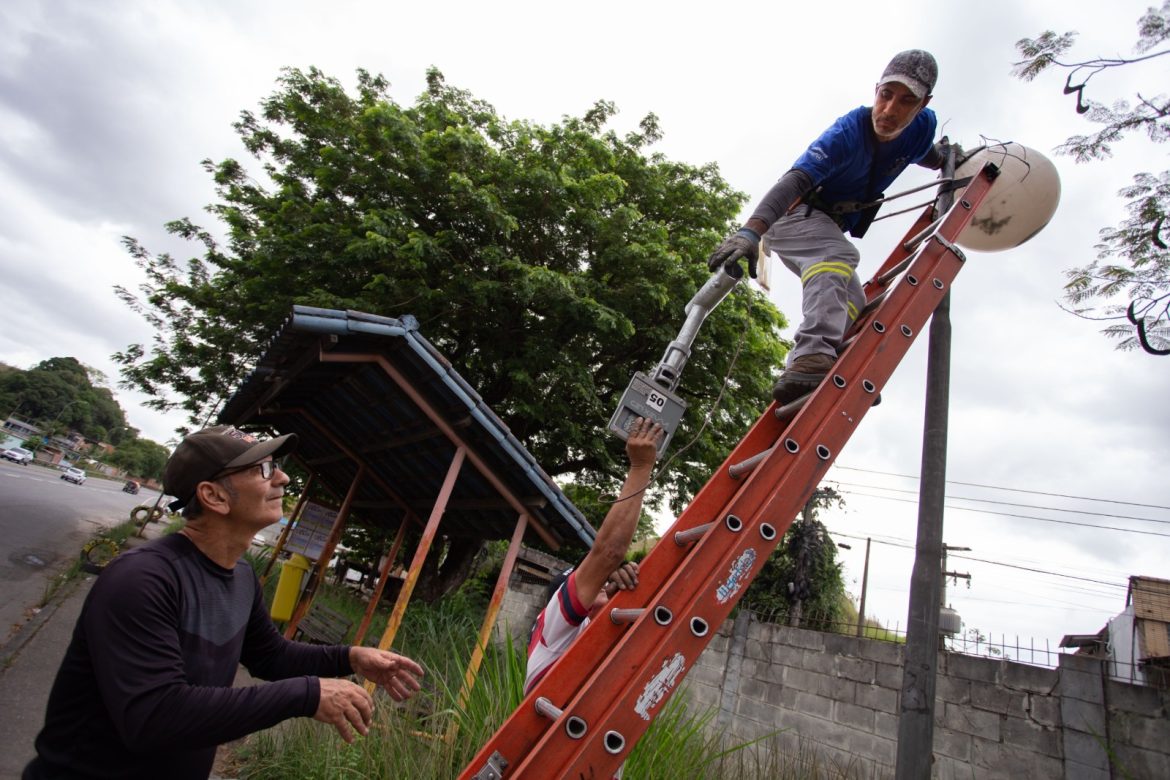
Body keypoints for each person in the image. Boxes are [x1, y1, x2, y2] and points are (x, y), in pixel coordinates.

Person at [24, 425, 424, 780]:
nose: (282, 477)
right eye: (262, 470)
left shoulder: (241, 575)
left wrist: (352, 658)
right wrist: (307, 694)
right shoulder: (142, 579)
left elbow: (271, 656)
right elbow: (155, 715)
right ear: (213, 496)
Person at [707, 49, 952, 405]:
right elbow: (793, 182)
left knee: (853, 300)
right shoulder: (846, 133)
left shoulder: (921, 128)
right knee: (837, 256)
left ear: (923, 104)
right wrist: (751, 232)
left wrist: (944, 159)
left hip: (826, 223)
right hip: (792, 215)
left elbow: (922, 152)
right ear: (876, 90)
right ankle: (812, 357)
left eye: (906, 101)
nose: (889, 110)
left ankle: (800, 374)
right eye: (885, 95)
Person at [525, 417, 662, 695]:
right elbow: (608, 553)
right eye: (589, 583)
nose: (601, 582)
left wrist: (622, 590)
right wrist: (641, 466)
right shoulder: (553, 626)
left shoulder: (583, 635)